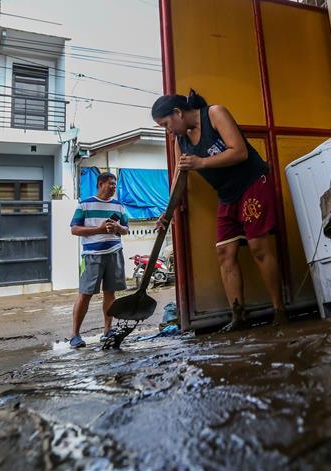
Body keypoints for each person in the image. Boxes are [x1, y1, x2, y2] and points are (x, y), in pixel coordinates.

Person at [152, 89, 287, 331]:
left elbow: (239, 151)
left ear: (177, 112)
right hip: (227, 195)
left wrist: (201, 162)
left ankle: (280, 310)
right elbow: (179, 177)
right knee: (225, 253)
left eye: (166, 124)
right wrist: (168, 211)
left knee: (258, 247)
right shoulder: (180, 141)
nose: (168, 131)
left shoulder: (214, 114)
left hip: (253, 183)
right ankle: (239, 315)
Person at [68, 172, 130, 348]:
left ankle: (108, 330)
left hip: (114, 253)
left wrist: (117, 227)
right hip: (92, 256)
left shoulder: (118, 206)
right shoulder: (85, 204)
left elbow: (126, 230)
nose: (113, 187)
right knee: (85, 294)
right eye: (110, 184)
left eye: (115, 184)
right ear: (100, 184)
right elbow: (74, 229)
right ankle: (75, 335)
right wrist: (99, 229)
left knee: (111, 293)